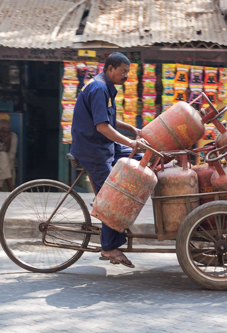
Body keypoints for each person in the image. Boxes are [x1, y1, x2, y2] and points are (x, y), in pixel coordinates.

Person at [70, 52, 147, 268]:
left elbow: (108, 119)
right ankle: (108, 247)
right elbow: (102, 127)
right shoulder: (99, 88)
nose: (126, 76)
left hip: (104, 144)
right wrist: (131, 142)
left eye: (127, 73)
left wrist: (131, 128)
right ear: (110, 68)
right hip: (92, 149)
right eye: (123, 72)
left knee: (143, 158)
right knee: (112, 196)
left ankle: (115, 233)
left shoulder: (104, 87)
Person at [0, 118, 18, 191]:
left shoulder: (13, 136)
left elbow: (10, 157)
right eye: (4, 132)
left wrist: (8, 143)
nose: (7, 134)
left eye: (8, 132)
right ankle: (10, 186)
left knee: (3, 158)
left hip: (5, 163)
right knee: (2, 157)